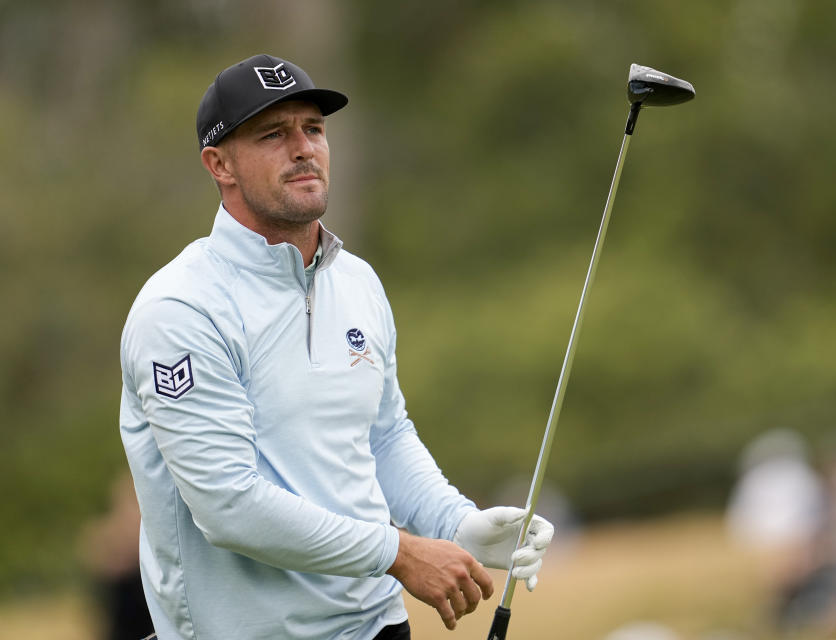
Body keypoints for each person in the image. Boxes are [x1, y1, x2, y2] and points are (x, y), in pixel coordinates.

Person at [119, 54, 553, 640]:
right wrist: (399, 553)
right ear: (218, 163)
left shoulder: (358, 282)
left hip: (376, 625)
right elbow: (229, 505)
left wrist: (456, 524)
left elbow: (383, 436)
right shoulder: (180, 309)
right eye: (274, 134)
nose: (303, 148)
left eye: (314, 129)